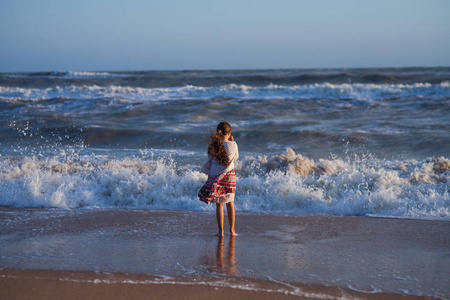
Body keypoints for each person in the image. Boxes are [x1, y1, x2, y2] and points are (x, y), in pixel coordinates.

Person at [198, 122, 239, 236]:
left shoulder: (213, 146)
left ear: (218, 133)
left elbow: (210, 160)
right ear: (229, 133)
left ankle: (221, 232)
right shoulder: (233, 144)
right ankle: (232, 230)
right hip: (228, 178)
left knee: (219, 205)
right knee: (230, 203)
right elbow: (235, 158)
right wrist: (230, 142)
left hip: (216, 178)